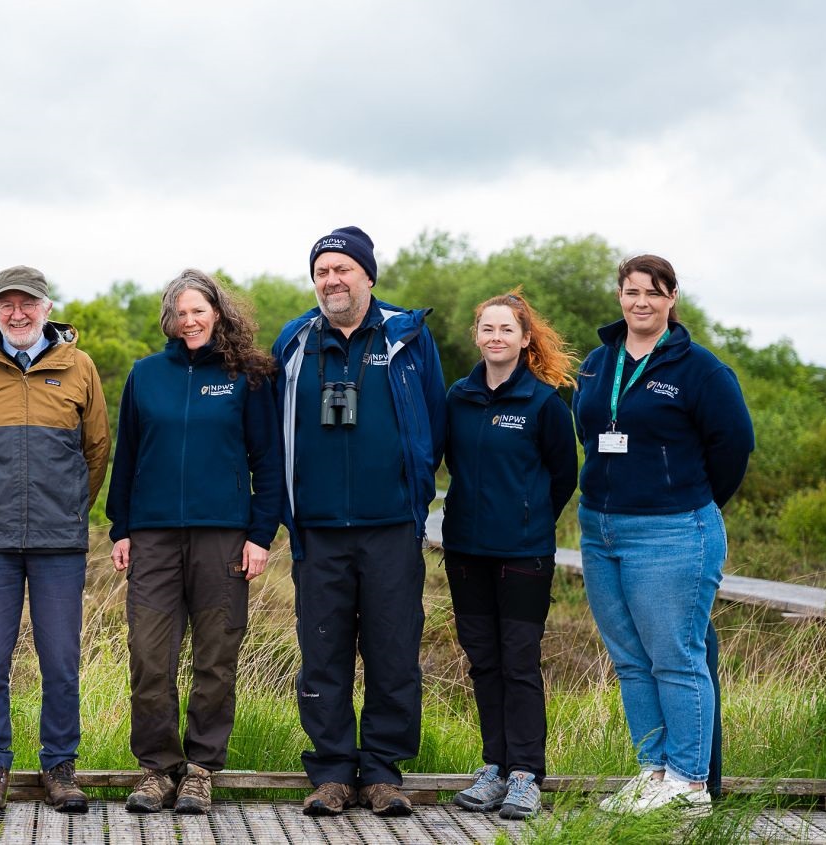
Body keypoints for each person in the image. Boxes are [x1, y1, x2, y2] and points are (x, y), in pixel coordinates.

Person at [270, 226, 446, 818]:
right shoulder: (294, 341)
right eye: (321, 271)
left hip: (391, 524)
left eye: (343, 269)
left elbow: (435, 421)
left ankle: (382, 773)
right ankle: (331, 774)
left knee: (393, 649)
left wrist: (414, 496)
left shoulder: (406, 335)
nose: (331, 280)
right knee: (323, 652)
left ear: (368, 276)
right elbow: (274, 430)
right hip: (317, 530)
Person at [574, 255, 753, 817]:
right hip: (601, 526)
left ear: (672, 297)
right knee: (630, 658)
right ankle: (653, 774)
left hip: (673, 531)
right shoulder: (599, 363)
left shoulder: (701, 370)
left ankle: (690, 782)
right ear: (620, 297)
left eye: (653, 293)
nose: (641, 302)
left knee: (675, 657)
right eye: (631, 292)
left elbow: (733, 446)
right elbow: (588, 428)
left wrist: (685, 502)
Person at [107, 269, 282, 815]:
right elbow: (127, 458)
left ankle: (202, 769)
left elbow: (268, 462)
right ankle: (158, 769)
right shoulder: (146, 375)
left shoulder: (246, 377)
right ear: (169, 318)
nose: (190, 321)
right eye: (180, 312)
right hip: (154, 537)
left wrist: (259, 534)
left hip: (223, 538)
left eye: (199, 310)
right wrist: (122, 528)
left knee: (215, 658)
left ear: (218, 313)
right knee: (149, 657)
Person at [0, 265, 110, 817]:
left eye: (27, 303)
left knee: (60, 660)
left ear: (46, 306)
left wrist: (64, 510)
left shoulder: (78, 367)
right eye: (6, 304)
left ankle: (60, 767)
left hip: (59, 542)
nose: (18, 313)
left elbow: (96, 451)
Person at [441, 291, 577, 820]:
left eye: (506, 329)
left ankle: (525, 774)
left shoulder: (544, 402)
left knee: (519, 662)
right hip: (465, 552)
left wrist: (529, 518)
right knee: (483, 662)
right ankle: (493, 768)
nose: (496, 337)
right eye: (487, 329)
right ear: (476, 336)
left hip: (523, 554)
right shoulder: (458, 396)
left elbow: (564, 475)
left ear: (524, 339)